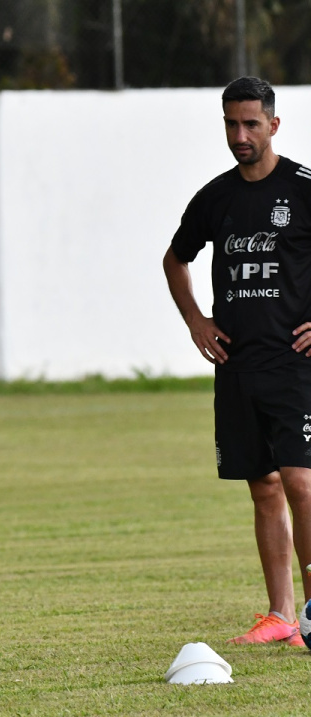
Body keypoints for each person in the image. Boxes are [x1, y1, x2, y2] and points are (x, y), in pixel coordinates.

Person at [163, 76, 311, 647]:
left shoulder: (302, 189)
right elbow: (175, 261)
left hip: (296, 366)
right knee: (264, 487)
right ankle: (279, 615)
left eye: (251, 123)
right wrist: (197, 322)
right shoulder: (215, 198)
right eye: (231, 123)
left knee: (302, 480)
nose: (240, 134)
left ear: (274, 125)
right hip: (238, 368)